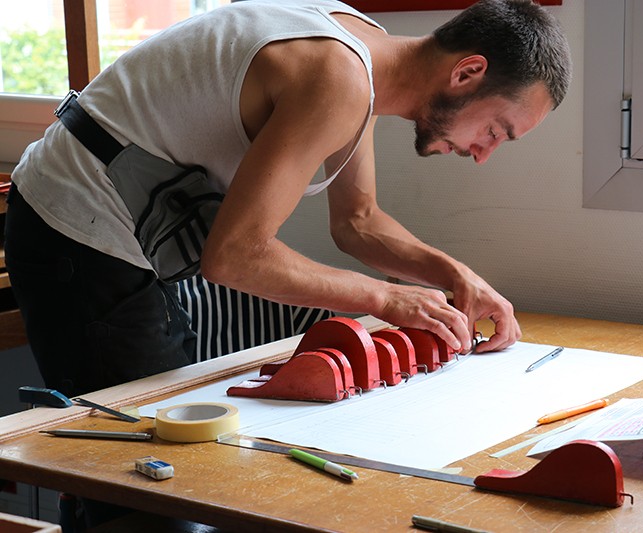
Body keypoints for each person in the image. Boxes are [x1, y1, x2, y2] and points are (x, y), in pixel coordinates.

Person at [5, 0, 572, 399]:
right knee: (140, 462)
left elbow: (357, 221)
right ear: (468, 72)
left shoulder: (361, 50)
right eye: (497, 131)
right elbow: (234, 257)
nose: (482, 154)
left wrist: (455, 276)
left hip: (117, 220)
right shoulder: (339, 76)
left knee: (162, 440)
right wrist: (387, 298)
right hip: (75, 222)